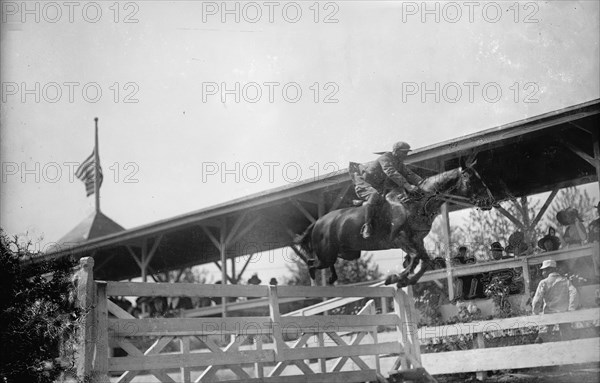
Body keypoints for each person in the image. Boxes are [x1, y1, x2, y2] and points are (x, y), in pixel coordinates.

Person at [350, 141, 423, 239]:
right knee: (375, 194)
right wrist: (408, 186)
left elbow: (409, 174)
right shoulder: (385, 158)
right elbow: (391, 172)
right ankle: (367, 225)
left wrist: (423, 182)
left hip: (380, 187)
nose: (406, 155)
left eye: (406, 152)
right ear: (396, 151)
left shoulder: (399, 163)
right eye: (404, 152)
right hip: (365, 185)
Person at [532, 260, 579, 342]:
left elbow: (537, 300)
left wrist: (535, 313)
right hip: (564, 313)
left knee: (543, 337)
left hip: (549, 314)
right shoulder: (565, 281)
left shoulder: (544, 283)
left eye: (543, 270)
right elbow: (574, 293)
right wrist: (571, 309)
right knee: (567, 337)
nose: (542, 272)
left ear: (549, 270)